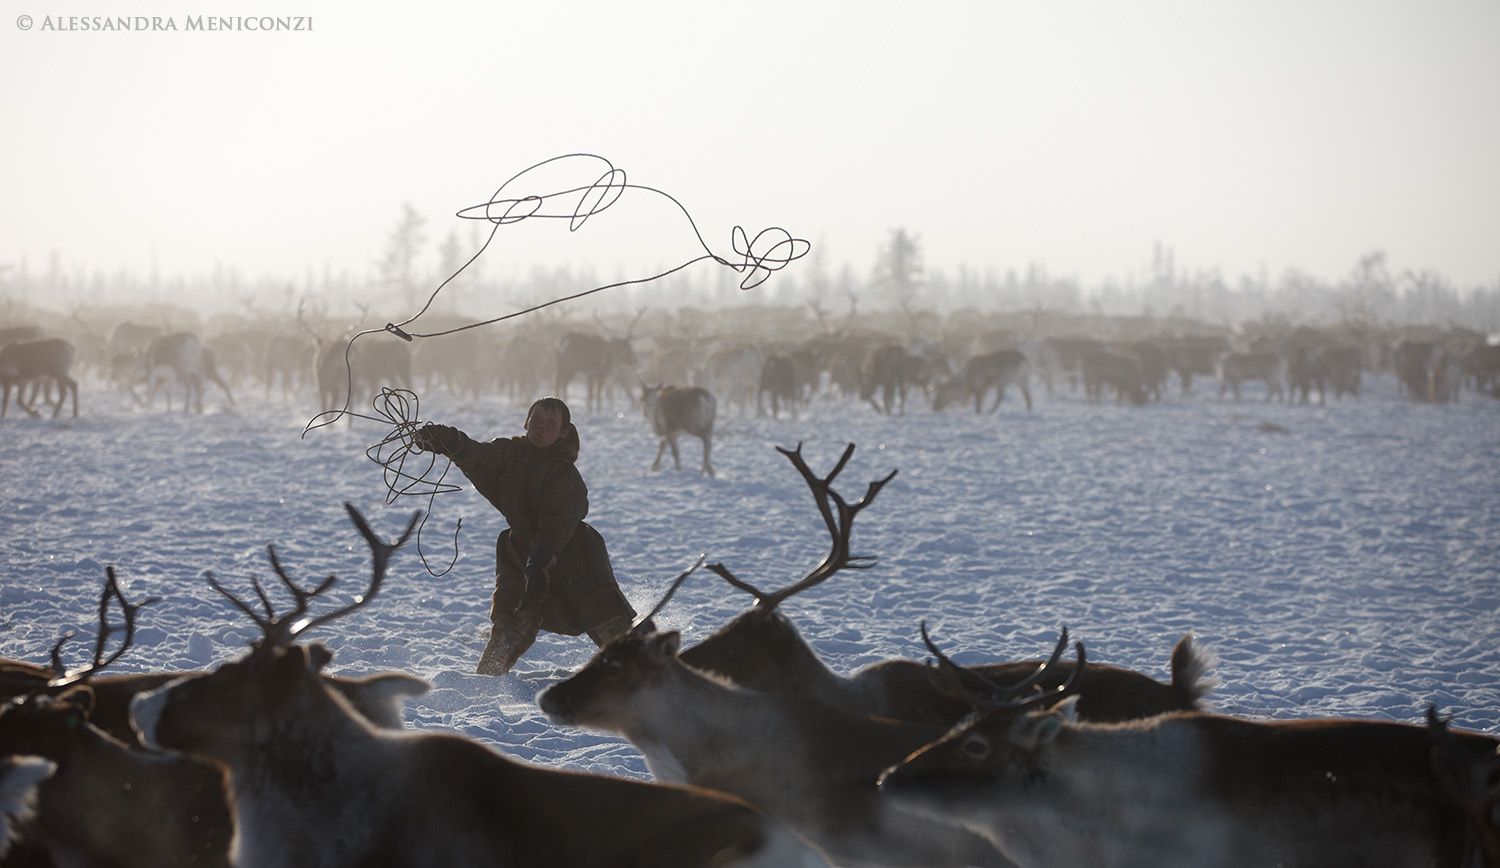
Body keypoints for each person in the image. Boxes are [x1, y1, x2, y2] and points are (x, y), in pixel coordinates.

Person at [412, 397, 637, 676]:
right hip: (521, 551)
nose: (541, 428)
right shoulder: (509, 452)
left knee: (609, 626)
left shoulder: (566, 476)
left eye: (550, 424)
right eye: (537, 421)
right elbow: (478, 456)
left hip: (574, 557)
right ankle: (487, 681)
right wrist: (449, 441)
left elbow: (556, 525)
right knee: (510, 622)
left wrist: (539, 563)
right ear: (526, 422)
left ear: (563, 432)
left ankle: (647, 672)